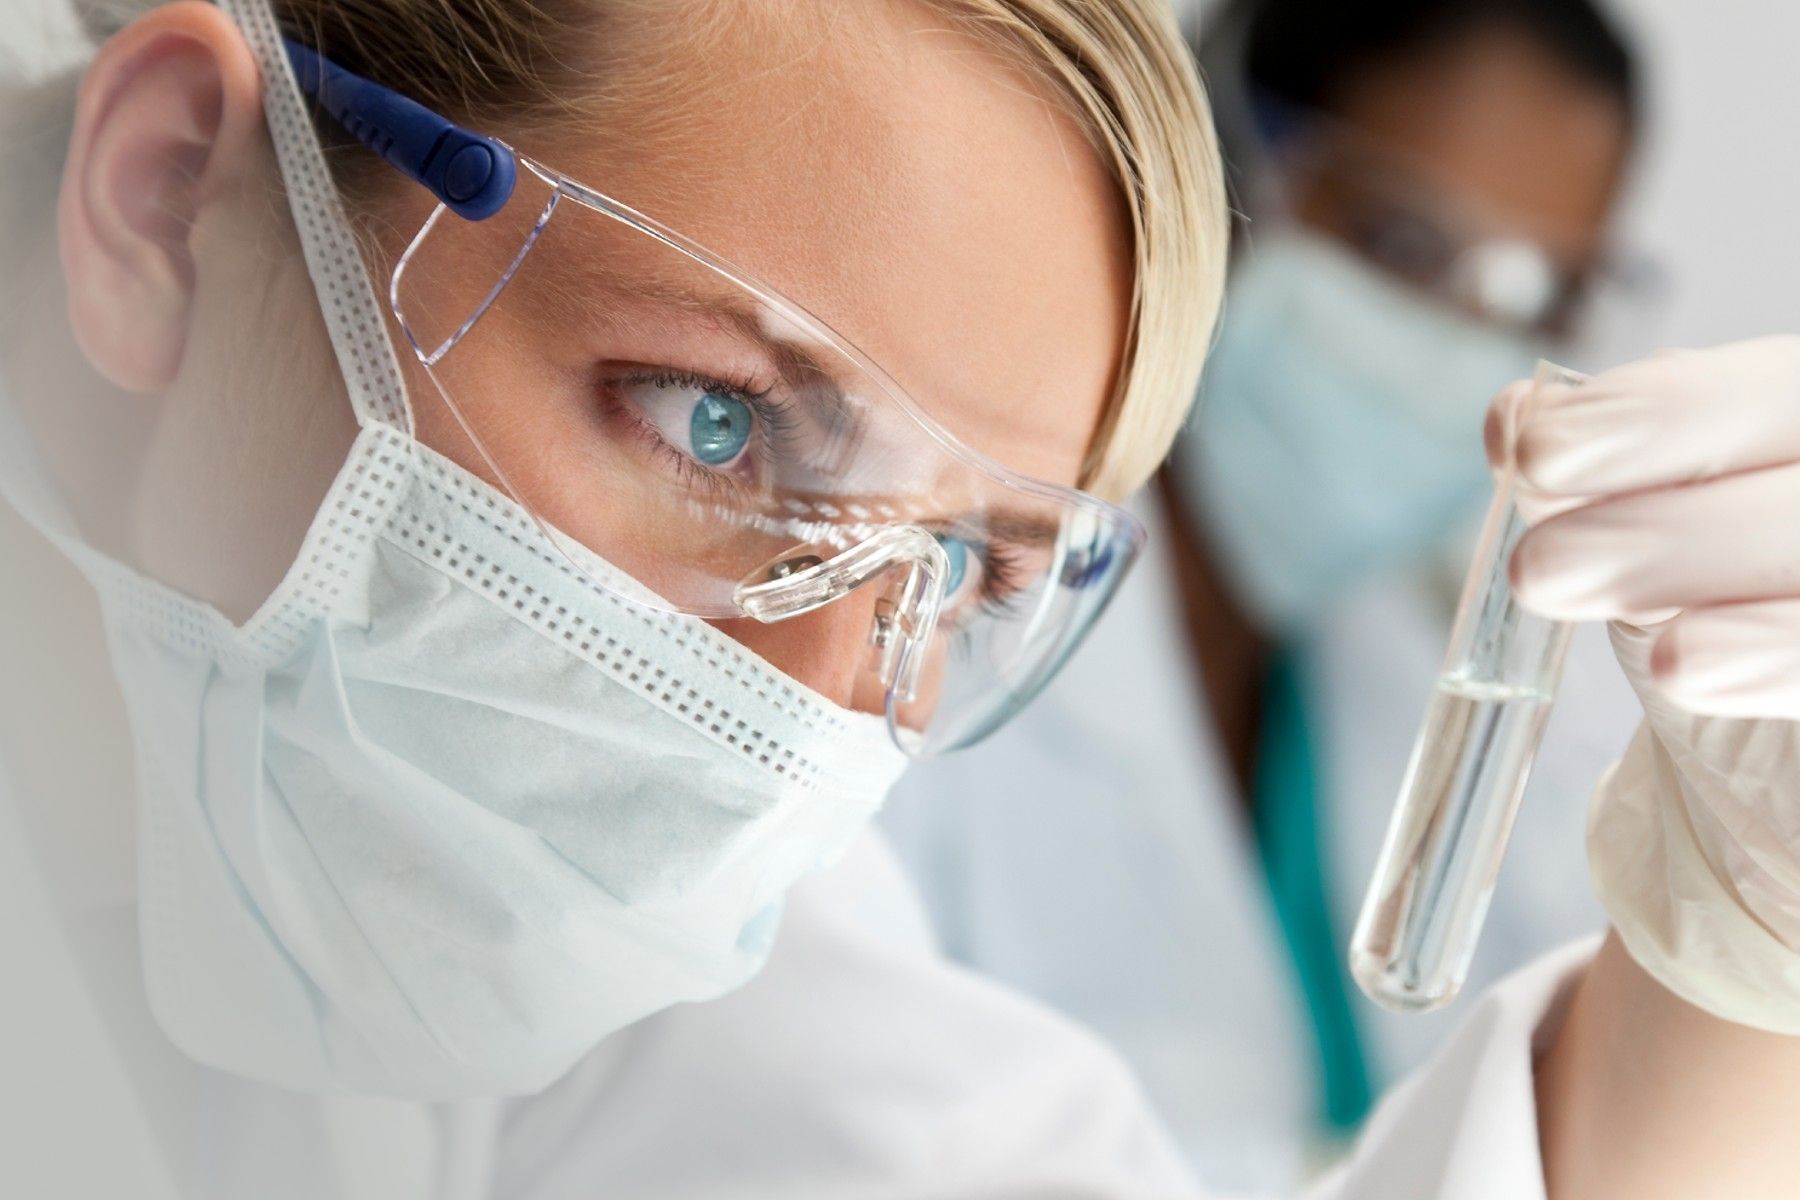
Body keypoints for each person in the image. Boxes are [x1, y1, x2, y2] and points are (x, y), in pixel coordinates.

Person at [6, 2, 1800, 1199]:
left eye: (964, 568)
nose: (809, 704)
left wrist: (1737, 953)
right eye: (716, 421)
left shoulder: (536, 894)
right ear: (165, 197)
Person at [883, 0, 1646, 1184]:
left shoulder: (1449, 670)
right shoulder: (928, 606)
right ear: (1227, 170)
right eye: (1402, 244)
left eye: (1537, 300)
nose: (1450, 351)